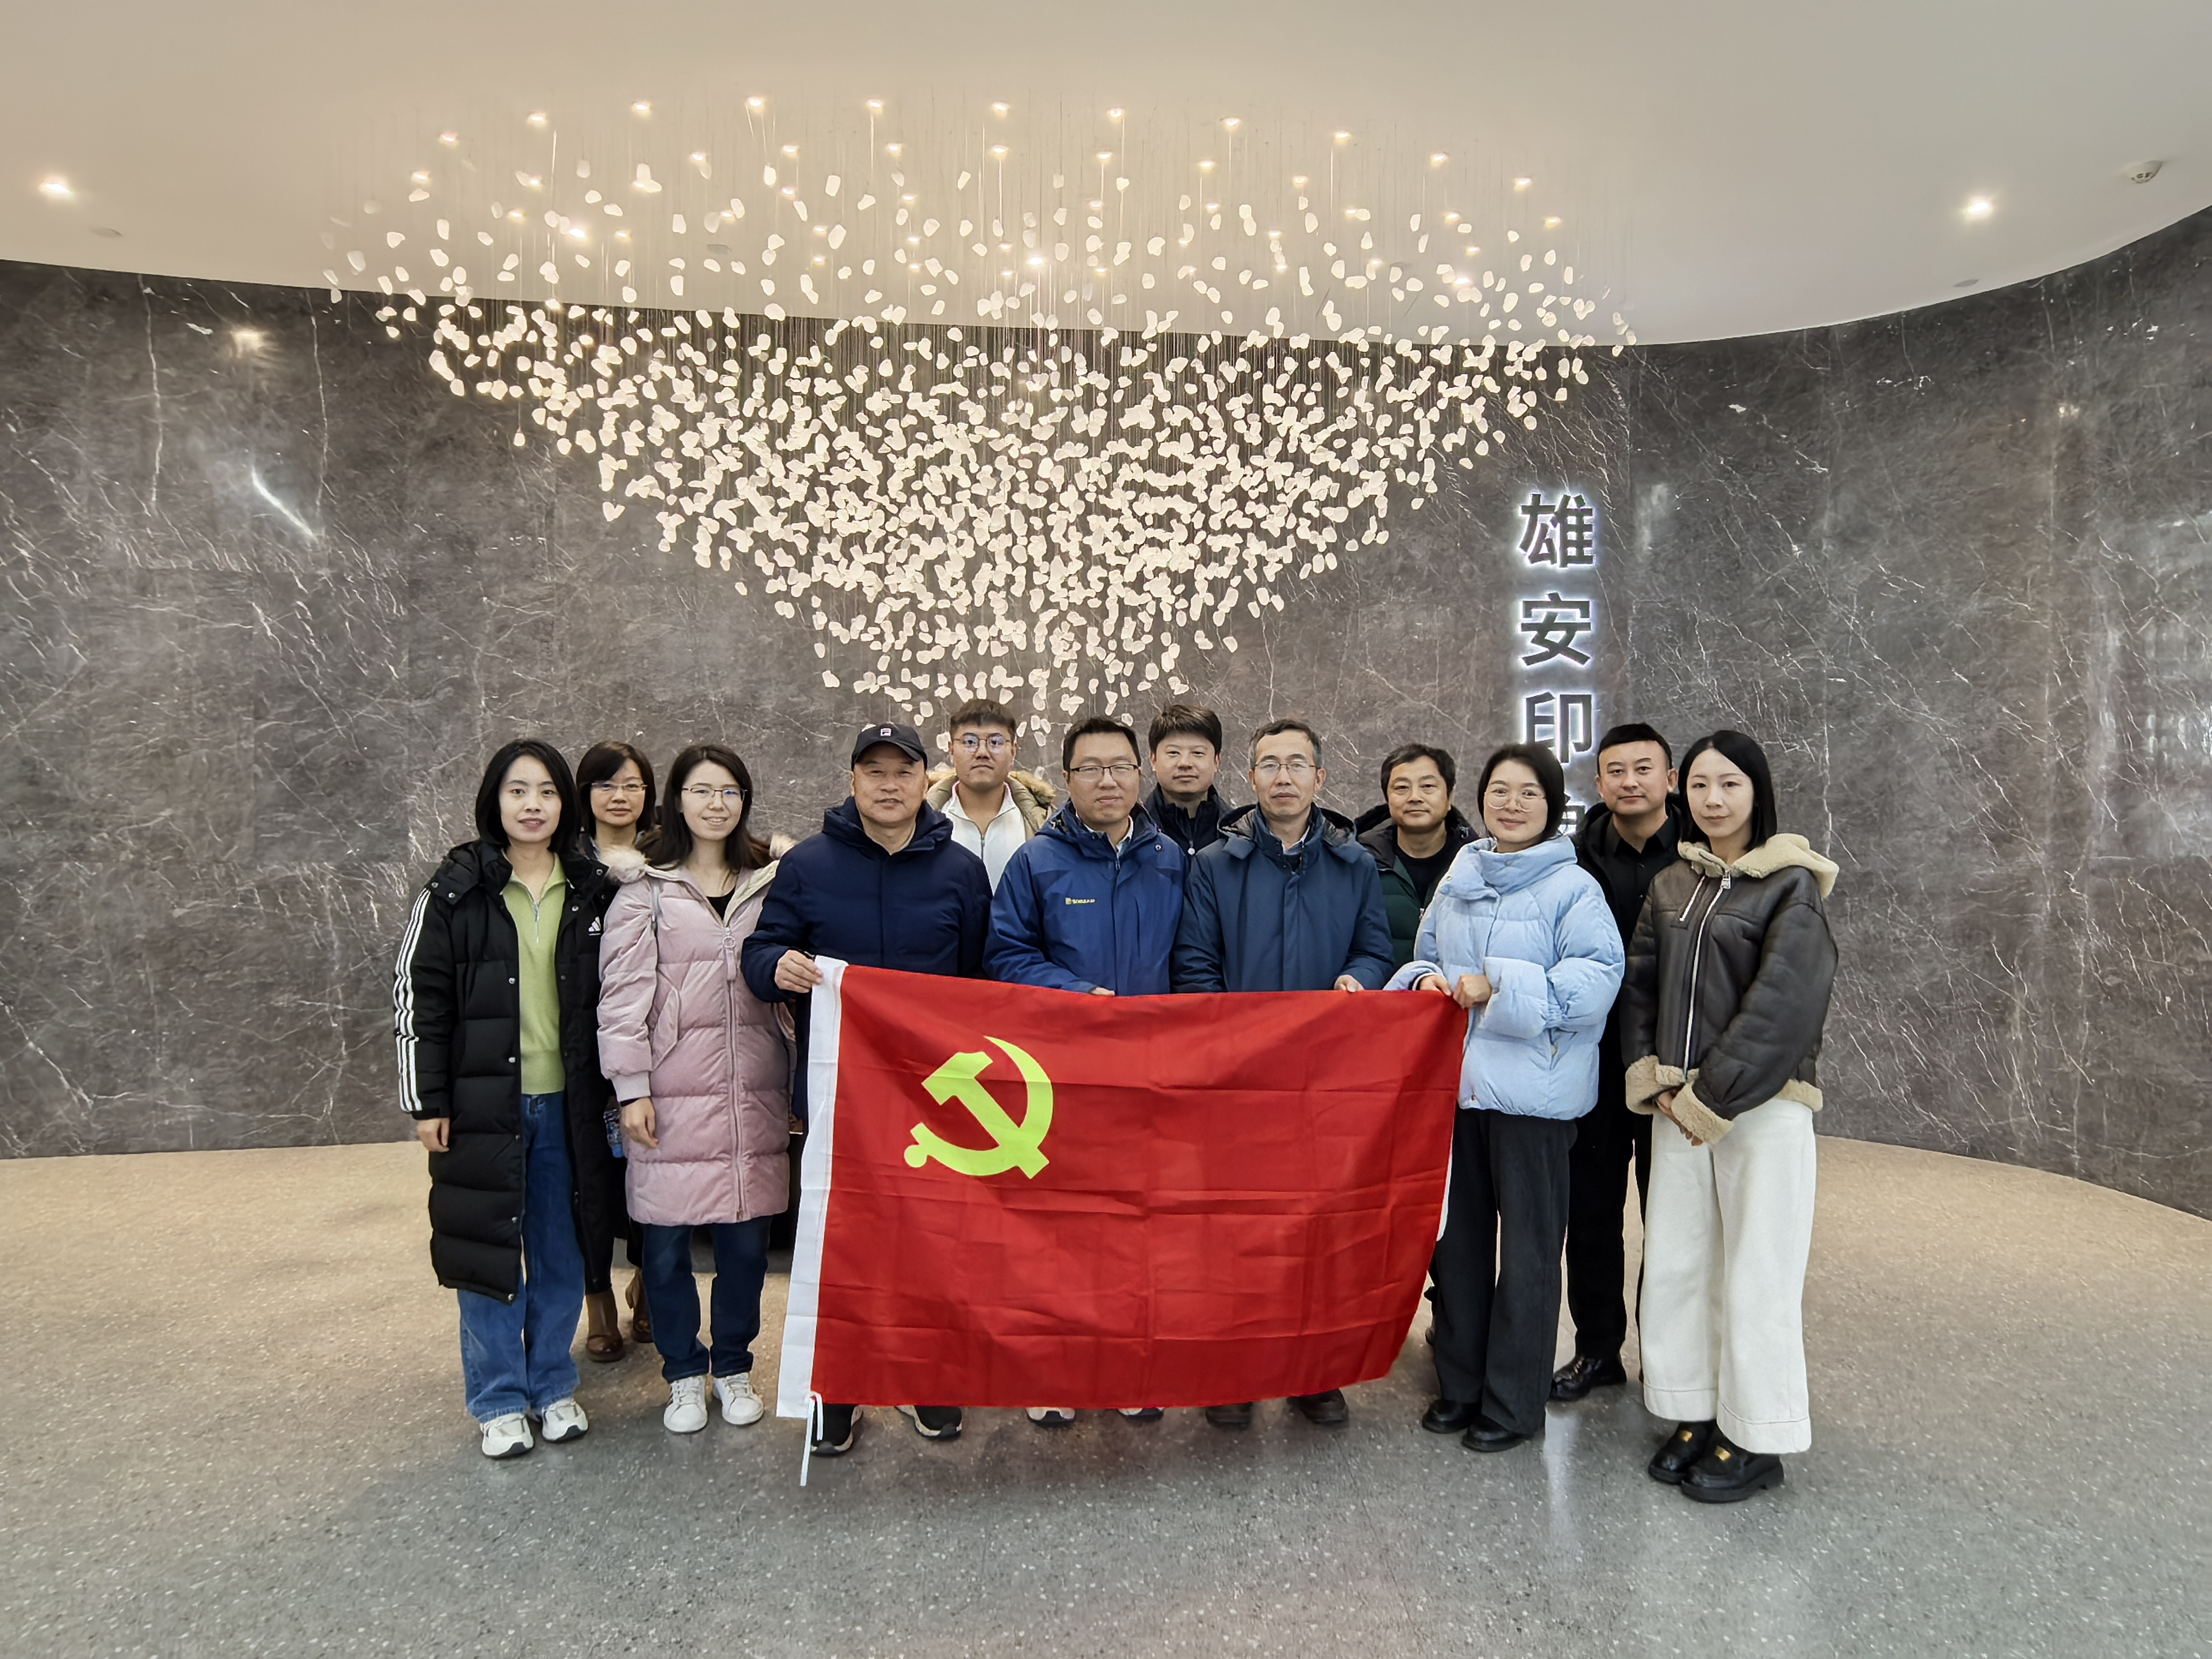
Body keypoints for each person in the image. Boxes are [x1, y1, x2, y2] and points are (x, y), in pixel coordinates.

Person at [742, 720, 993, 1456]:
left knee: (931, 1245)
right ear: (852, 781)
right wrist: (777, 966)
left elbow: (981, 979)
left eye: (903, 771)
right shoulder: (808, 866)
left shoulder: (960, 870)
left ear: (925, 780)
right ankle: (839, 1389)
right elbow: (760, 952)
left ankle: (925, 1378)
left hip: (935, 1098)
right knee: (842, 1245)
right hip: (840, 1091)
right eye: (874, 771)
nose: (889, 785)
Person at [1621, 730, 1838, 1503]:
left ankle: (1756, 1436)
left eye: (1730, 785)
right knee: (1679, 1265)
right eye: (1701, 786)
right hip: (1675, 1108)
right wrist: (1653, 1080)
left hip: (1759, 1111)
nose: (1713, 800)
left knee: (1756, 1273)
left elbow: (1784, 1005)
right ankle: (1694, 1408)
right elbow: (1640, 984)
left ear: (1757, 791)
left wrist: (1711, 1098)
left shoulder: (1789, 886)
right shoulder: (1672, 883)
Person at [1387, 744, 1623, 1453]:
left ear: (1551, 807)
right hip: (1456, 1093)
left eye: (1528, 793)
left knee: (1527, 1256)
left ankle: (1514, 1403)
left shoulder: (1574, 888)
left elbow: (1596, 983)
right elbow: (1426, 952)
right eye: (1499, 791)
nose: (1511, 804)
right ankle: (1460, 1386)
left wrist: (1499, 986)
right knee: (1456, 1249)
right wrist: (1422, 981)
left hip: (1534, 1100)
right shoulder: (1461, 875)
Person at [392, 739, 623, 1459]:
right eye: (518, 791)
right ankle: (497, 1400)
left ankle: (552, 1385)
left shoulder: (592, 887)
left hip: (568, 1105)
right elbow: (418, 998)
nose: (533, 805)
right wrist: (426, 1101)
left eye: (547, 791)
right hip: (483, 1105)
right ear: (494, 801)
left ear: (566, 804)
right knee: (489, 1253)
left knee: (560, 1252)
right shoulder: (456, 889)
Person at [1171, 716, 1394, 1430]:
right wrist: (1236, 1048)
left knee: (1318, 1229)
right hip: (1238, 1082)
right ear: (1252, 778)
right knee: (1234, 1229)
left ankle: (1313, 1372)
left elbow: (1375, 951)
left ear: (1320, 778)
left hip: (1324, 1083)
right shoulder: (1215, 865)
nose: (1284, 777)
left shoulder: (1355, 866)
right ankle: (1233, 1372)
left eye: (1298, 764)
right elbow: (1195, 967)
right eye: (1270, 764)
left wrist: (1359, 981)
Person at [987, 713, 1187, 1429]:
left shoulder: (1171, 859)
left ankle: (1129, 1365)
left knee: (1137, 1227)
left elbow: (1192, 960)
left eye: (1120, 767)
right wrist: (1079, 997)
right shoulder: (1035, 862)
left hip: (1149, 1078)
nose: (1108, 781)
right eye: (1091, 769)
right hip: (1059, 1079)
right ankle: (1053, 1368)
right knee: (1057, 1229)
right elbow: (1005, 956)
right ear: (1066, 779)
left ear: (1140, 774)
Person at [598, 744, 791, 1435]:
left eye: (730, 791)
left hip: (751, 1091)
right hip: (669, 1096)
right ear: (676, 800)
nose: (717, 804)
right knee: (665, 1246)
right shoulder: (645, 891)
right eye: (702, 790)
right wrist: (631, 1090)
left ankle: (733, 1366)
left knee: (745, 1247)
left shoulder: (771, 882)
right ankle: (683, 1372)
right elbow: (621, 1001)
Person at [1552, 724, 1691, 1403]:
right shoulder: (1573, 862)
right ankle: (1596, 1350)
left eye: (1643, 768)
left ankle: (1669, 1362)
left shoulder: (1700, 856)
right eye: (1615, 771)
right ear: (1598, 782)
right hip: (1594, 1063)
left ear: (1670, 779)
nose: (1628, 781)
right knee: (1591, 1216)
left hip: (1674, 1070)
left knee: (1673, 1220)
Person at [574, 739, 659, 1359]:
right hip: (576, 1045)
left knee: (653, 1169)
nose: (620, 796)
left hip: (651, 1041)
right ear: (584, 794)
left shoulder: (666, 859)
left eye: (632, 784)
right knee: (589, 1181)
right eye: (606, 784)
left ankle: (649, 1285)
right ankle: (597, 1299)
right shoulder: (564, 863)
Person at [1355, 743, 1478, 969]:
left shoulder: (1477, 866)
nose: (1415, 797)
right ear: (1387, 799)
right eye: (1402, 788)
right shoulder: (1359, 863)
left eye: (1428, 786)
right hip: (1380, 990)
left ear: (1449, 797)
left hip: (1454, 991)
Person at [926, 698, 1058, 890]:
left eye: (995, 742)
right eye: (970, 742)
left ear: (1013, 751)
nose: (982, 753)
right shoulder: (920, 820)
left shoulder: (1045, 823)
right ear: (951, 750)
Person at [1143, 701, 1233, 859]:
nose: (1185, 763)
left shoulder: (1239, 833)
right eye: (1173, 753)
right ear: (1153, 760)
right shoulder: (1132, 831)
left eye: (1198, 753)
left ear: (1217, 762)